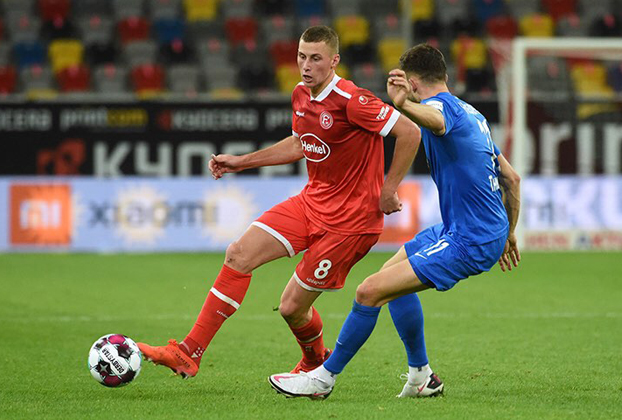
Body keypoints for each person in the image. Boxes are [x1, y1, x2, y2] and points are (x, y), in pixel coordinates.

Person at [137, 26, 421, 379]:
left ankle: (315, 360)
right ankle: (188, 352)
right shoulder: (301, 94)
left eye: (315, 58)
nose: (306, 65)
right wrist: (242, 162)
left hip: (350, 224)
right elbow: (301, 143)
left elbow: (410, 132)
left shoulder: (353, 100)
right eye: (301, 56)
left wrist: (388, 188)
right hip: (312, 202)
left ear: (334, 61)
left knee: (291, 308)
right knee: (238, 254)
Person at [268, 43, 521, 399]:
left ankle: (322, 378)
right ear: (444, 76)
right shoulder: (474, 114)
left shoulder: (440, 110)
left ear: (413, 83)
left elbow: (435, 120)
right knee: (391, 277)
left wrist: (402, 105)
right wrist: (508, 233)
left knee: (369, 291)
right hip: (471, 228)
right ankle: (422, 376)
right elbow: (512, 178)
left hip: (470, 238)